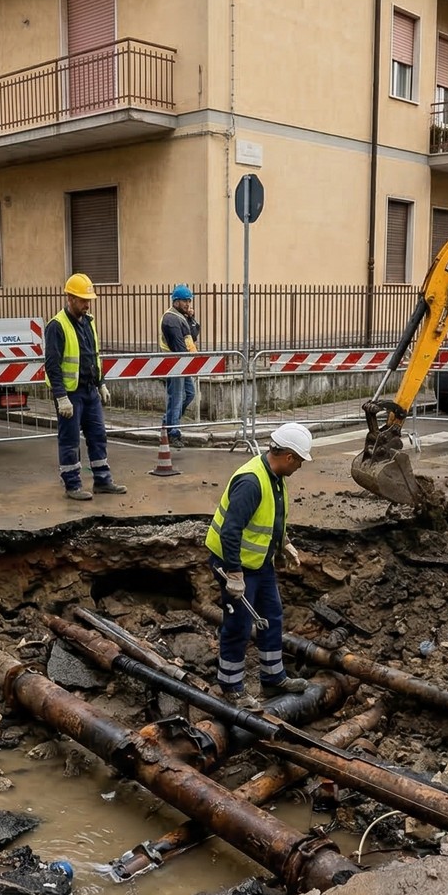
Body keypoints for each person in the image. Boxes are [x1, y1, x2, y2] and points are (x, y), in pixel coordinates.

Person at [207, 422, 316, 698]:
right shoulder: (251, 482)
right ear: (288, 457)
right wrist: (234, 574)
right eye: (300, 461)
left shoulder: (275, 478)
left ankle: (272, 678)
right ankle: (231, 688)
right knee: (238, 625)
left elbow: (271, 517)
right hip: (234, 564)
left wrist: (284, 543)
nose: (300, 467)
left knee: (272, 616)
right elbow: (231, 531)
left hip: (259, 563)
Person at [44, 273, 127, 501]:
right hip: (71, 393)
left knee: (98, 436)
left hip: (90, 391)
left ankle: (103, 480)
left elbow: (93, 356)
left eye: (88, 300)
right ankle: (72, 485)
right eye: (83, 300)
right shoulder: (57, 326)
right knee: (70, 440)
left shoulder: (88, 322)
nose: (87, 304)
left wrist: (101, 384)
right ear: (70, 298)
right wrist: (61, 397)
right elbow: (52, 365)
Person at [160, 285, 200, 446]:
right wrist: (188, 362)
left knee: (189, 394)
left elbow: (193, 336)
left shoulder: (181, 317)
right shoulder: (170, 319)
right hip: (175, 364)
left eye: (189, 300)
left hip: (183, 364)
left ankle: (168, 421)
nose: (187, 304)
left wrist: (191, 318)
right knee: (176, 398)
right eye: (184, 301)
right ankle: (173, 433)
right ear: (175, 301)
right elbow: (179, 347)